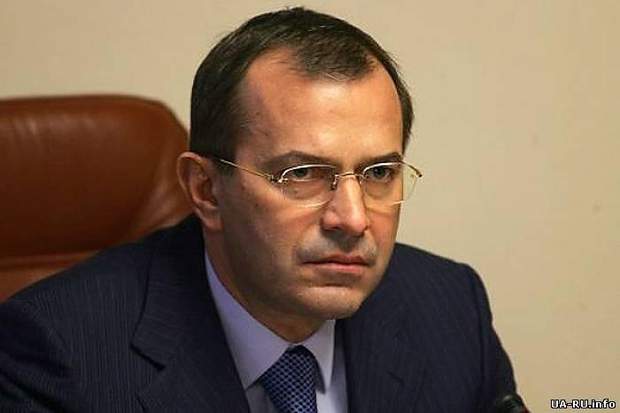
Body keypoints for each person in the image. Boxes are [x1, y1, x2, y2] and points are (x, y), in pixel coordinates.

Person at [0, 7, 521, 413]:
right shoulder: (56, 353)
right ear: (206, 189)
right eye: (303, 174)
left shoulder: (450, 308)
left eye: (379, 173)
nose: (353, 218)